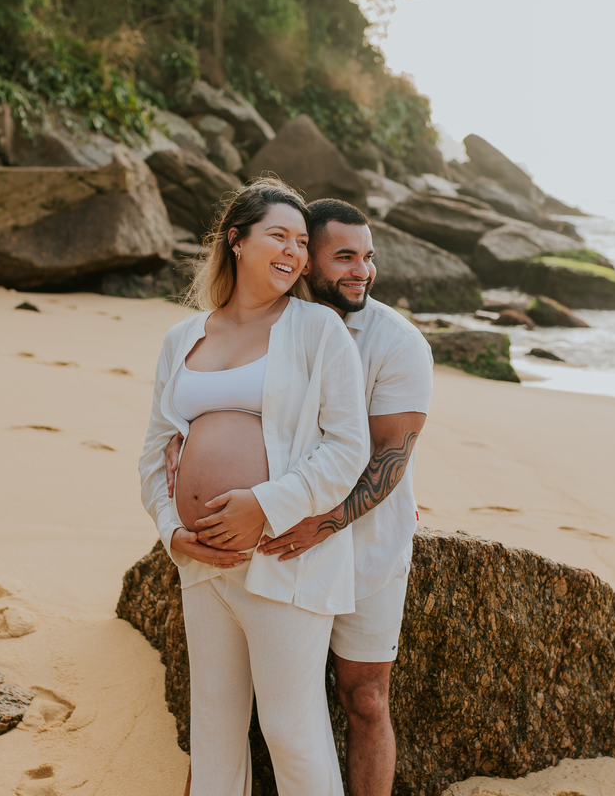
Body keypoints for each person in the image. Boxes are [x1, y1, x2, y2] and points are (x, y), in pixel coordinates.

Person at [168, 199, 434, 796]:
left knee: (360, 698)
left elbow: (385, 455)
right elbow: (181, 439)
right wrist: (177, 521)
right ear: (305, 260)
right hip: (248, 549)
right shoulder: (257, 326)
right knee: (220, 720)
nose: (361, 271)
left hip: (358, 543)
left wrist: (310, 521)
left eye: (368, 257)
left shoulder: (392, 341)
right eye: (343, 257)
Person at [139, 179, 370, 796]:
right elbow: (154, 453)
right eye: (279, 236)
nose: (294, 252)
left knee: (291, 728)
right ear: (236, 240)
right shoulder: (183, 338)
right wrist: (173, 535)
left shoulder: (319, 332)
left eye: (302, 241)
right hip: (204, 565)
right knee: (213, 729)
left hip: (282, 558)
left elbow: (349, 448)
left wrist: (262, 506)